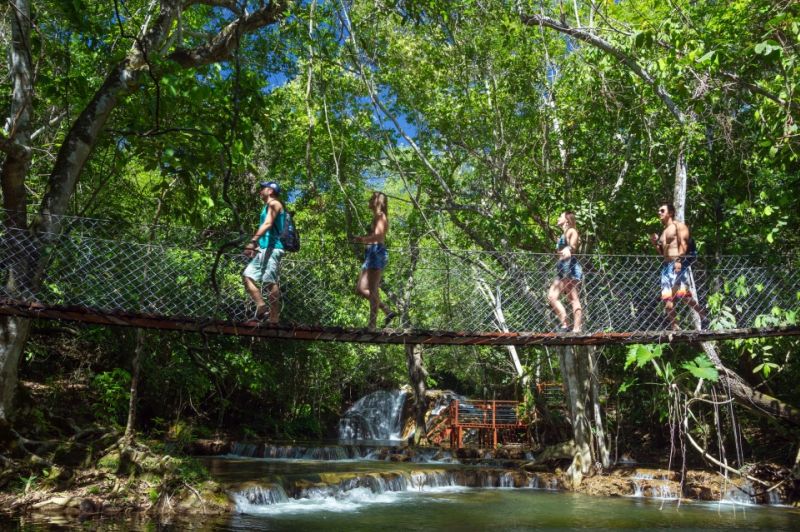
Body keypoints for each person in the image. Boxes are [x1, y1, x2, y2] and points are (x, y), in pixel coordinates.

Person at [649, 203, 704, 330]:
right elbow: (663, 253)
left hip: (677, 265)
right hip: (666, 267)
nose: (659, 213)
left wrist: (679, 260)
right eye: (659, 210)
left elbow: (683, 244)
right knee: (667, 299)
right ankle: (675, 327)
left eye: (662, 210)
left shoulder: (679, 226)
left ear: (671, 213)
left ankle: (704, 316)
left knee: (684, 296)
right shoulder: (663, 232)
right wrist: (655, 244)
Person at [242, 181, 286, 324]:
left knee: (270, 281)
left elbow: (268, 224)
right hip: (264, 248)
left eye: (263, 188)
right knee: (247, 276)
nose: (260, 191)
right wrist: (258, 246)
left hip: (273, 248)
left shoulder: (275, 204)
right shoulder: (267, 206)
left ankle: (274, 319)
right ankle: (261, 306)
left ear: (270, 191)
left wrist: (253, 242)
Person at [353, 191, 397, 330]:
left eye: (372, 198)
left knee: (371, 290)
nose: (369, 200)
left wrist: (362, 239)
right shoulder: (377, 217)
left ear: (378, 201)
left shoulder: (380, 216)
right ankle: (386, 310)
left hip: (376, 252)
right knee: (361, 289)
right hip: (372, 253)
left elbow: (378, 237)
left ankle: (372, 325)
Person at [548, 211, 583, 333]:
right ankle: (565, 324)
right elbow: (561, 252)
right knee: (552, 297)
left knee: (573, 298)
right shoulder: (563, 234)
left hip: (571, 267)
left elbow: (573, 246)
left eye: (560, 216)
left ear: (567, 220)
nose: (558, 218)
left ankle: (576, 329)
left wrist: (568, 248)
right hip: (562, 267)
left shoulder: (572, 231)